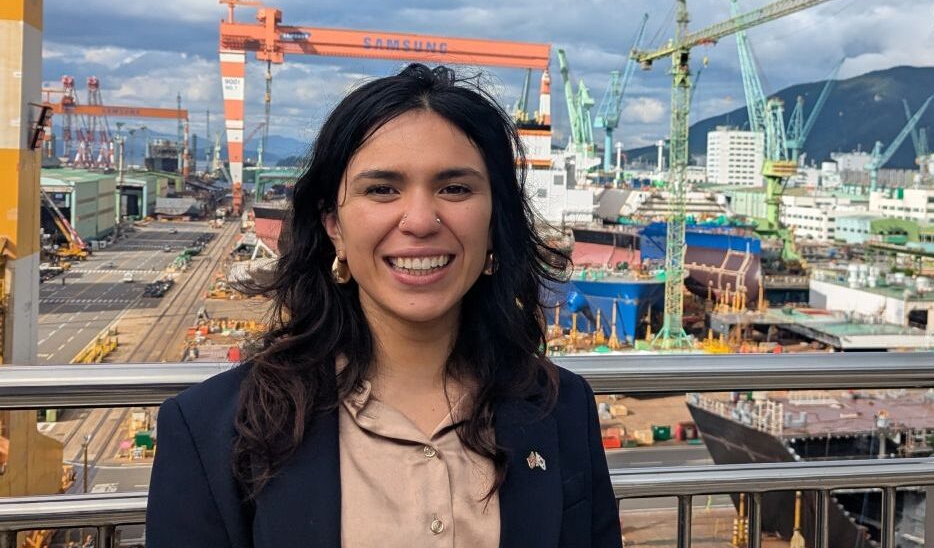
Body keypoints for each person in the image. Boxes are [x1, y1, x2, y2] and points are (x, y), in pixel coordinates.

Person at [146, 64, 622, 547]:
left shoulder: (562, 408)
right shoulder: (211, 430)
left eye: (455, 188)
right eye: (382, 189)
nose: (419, 220)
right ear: (333, 224)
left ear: (496, 221)